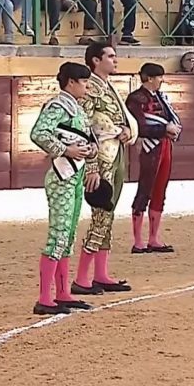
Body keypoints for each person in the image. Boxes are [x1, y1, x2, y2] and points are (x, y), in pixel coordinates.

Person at [28, 61, 100, 315]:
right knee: (58, 235)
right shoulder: (58, 105)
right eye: (84, 82)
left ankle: (62, 294)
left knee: (68, 236)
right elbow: (38, 133)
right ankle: (44, 299)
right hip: (61, 177)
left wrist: (90, 150)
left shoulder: (75, 109)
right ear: (71, 82)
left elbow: (87, 140)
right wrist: (65, 150)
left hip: (74, 176)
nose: (88, 87)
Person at [72, 42, 138, 296]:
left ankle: (100, 274)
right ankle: (81, 278)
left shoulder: (105, 86)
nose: (115, 60)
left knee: (107, 214)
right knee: (101, 214)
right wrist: (91, 167)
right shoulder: (91, 89)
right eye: (110, 56)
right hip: (100, 160)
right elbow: (84, 127)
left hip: (113, 154)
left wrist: (124, 130)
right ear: (95, 61)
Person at [126, 63, 182, 254]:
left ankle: (153, 239)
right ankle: (138, 240)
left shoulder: (160, 97)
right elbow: (138, 127)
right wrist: (164, 129)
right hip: (150, 147)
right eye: (159, 77)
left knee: (160, 190)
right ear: (149, 78)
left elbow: (169, 119)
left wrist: (169, 131)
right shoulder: (135, 99)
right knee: (145, 189)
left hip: (164, 146)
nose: (161, 80)